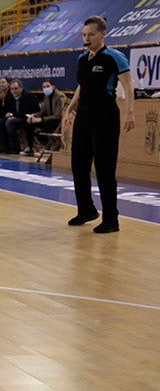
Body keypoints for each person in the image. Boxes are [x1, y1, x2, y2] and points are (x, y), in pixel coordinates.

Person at [62, 16, 135, 233]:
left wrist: (130, 113)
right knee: (79, 166)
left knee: (104, 168)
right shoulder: (82, 59)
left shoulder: (114, 57)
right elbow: (81, 87)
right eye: (84, 35)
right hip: (84, 117)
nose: (87, 38)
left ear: (103, 34)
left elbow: (129, 86)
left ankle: (111, 219)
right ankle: (86, 210)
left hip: (105, 118)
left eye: (91, 34)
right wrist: (69, 109)